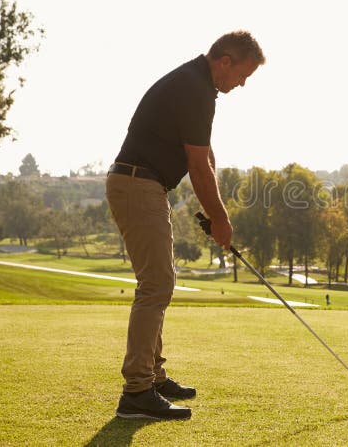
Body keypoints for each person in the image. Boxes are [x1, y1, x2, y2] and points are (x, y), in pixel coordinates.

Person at [106, 31, 265, 420]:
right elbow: (196, 167)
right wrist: (221, 219)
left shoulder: (198, 87)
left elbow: (205, 155)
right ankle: (137, 391)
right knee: (157, 284)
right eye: (242, 74)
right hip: (137, 183)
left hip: (145, 184)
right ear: (225, 61)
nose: (242, 84)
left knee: (160, 280)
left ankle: (153, 377)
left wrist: (216, 214)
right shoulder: (194, 88)